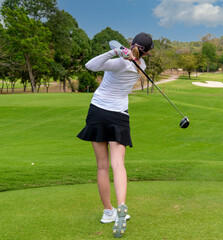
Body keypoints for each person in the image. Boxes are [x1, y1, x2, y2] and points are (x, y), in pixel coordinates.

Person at [77, 32, 154, 238]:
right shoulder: (141, 67)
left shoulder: (119, 63)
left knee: (102, 166)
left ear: (131, 44)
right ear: (148, 53)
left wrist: (114, 51)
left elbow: (90, 66)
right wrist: (121, 52)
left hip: (97, 111)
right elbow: (127, 55)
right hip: (119, 115)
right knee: (118, 164)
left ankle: (108, 211)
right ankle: (121, 205)